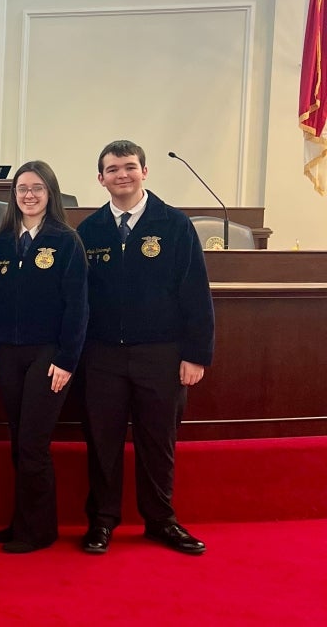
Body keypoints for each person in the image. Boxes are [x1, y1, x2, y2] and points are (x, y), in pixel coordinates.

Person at [77, 140, 214, 555]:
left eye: (130, 166)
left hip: (163, 355)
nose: (123, 174)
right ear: (100, 179)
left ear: (145, 172)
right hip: (102, 357)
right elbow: (78, 298)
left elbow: (195, 293)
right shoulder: (89, 231)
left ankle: (160, 520)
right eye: (113, 169)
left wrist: (197, 354)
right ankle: (102, 522)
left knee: (158, 442)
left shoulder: (174, 224)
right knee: (103, 443)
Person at [0, 160, 88, 553]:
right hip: (7, 354)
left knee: (33, 444)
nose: (29, 194)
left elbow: (77, 307)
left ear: (50, 193)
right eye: (22, 188)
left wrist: (67, 360)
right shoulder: (5, 238)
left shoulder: (66, 241)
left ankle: (39, 531)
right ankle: (22, 521)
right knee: (17, 442)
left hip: (49, 356)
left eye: (37, 188)